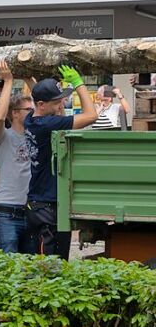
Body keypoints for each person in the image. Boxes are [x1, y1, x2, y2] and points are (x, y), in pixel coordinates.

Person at [24, 65, 98, 258]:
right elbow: (92, 116)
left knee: (58, 261)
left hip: (43, 203)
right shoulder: (46, 125)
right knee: (49, 265)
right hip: (46, 207)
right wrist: (79, 83)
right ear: (41, 104)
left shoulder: (31, 119)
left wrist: (31, 80)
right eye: (57, 101)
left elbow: (54, 110)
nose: (61, 105)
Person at [0, 60, 34, 253]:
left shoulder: (37, 133)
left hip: (32, 209)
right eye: (29, 110)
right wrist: (8, 81)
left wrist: (28, 78)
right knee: (9, 267)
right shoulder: (3, 136)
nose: (34, 113)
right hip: (7, 210)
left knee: (32, 267)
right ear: (15, 114)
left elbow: (52, 110)